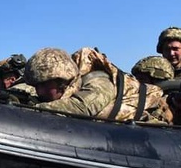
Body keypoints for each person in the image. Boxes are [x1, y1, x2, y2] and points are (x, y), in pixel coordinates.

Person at [25, 47, 172, 123]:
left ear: (62, 81)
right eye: (37, 85)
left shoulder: (99, 81)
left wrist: (28, 110)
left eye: (44, 85)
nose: (39, 91)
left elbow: (82, 107)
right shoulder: (67, 87)